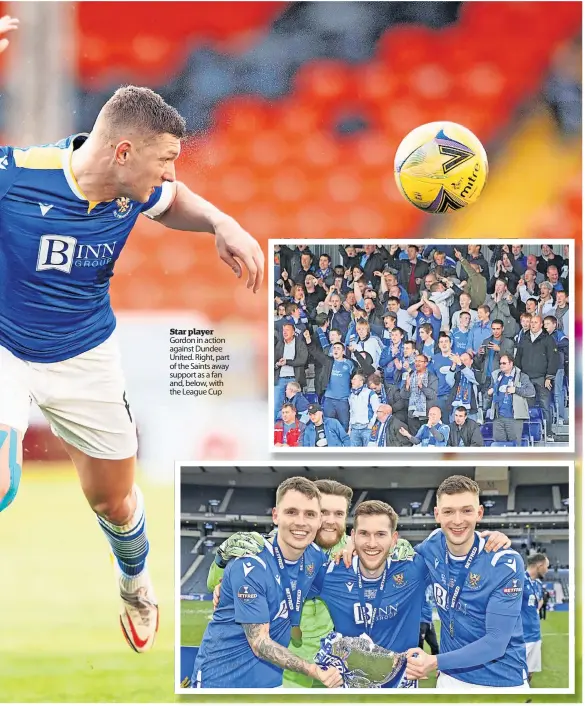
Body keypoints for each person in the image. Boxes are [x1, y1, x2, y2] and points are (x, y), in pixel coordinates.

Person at [0, 83, 265, 652]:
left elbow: (174, 203)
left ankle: (135, 584)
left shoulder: (134, 189)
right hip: (4, 346)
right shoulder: (16, 176)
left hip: (85, 354)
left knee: (115, 502)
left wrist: (223, 223)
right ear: (123, 153)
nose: (171, 173)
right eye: (165, 160)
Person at [192, 477, 342, 688]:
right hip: (221, 682)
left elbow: (338, 588)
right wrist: (314, 670)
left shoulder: (315, 557)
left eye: (310, 514)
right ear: (275, 515)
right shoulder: (251, 564)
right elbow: (259, 643)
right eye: (291, 512)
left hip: (270, 685)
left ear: (319, 521)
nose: (300, 522)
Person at [405, 475, 529, 690]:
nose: (458, 520)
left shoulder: (503, 562)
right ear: (437, 515)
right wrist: (353, 545)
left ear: (479, 513)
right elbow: (394, 561)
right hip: (450, 678)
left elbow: (496, 643)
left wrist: (434, 661)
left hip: (501, 682)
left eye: (467, 510)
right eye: (448, 511)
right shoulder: (433, 544)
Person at [515, 315, 559, 440]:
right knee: (526, 407)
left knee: (545, 406)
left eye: (535, 322)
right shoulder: (524, 338)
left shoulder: (548, 339)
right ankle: (529, 433)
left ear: (541, 325)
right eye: (531, 322)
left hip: (542, 378)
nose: (532, 324)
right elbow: (518, 358)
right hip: (526, 378)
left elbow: (553, 360)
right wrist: (517, 376)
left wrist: (549, 377)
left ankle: (548, 432)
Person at [486, 354, 535, 446]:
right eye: (500, 363)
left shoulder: (521, 376)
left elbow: (531, 392)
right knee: (499, 447)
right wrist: (489, 393)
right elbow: (488, 394)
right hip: (498, 418)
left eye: (504, 363)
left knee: (514, 447)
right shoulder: (496, 376)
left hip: (514, 418)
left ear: (511, 363)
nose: (501, 365)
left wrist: (515, 390)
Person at [522, 553, 549, 682]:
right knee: (517, 674)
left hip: (535, 635)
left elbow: (536, 604)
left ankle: (525, 697)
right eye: (546, 567)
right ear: (539, 565)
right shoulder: (519, 580)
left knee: (530, 672)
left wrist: (541, 602)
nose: (547, 570)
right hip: (522, 637)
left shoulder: (537, 584)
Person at [274, 323, 308, 422]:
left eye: (287, 330)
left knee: (294, 407)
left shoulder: (300, 343)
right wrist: (277, 365)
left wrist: (287, 362)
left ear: (293, 332)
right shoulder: (278, 344)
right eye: (283, 330)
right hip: (279, 379)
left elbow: (303, 360)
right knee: (276, 405)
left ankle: (294, 429)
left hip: (294, 379)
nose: (285, 332)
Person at [400, 354, 439, 435]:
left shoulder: (432, 377)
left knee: (426, 440)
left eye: (420, 361)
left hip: (426, 416)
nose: (417, 363)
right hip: (412, 415)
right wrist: (407, 386)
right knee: (415, 440)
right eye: (416, 361)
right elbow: (403, 395)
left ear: (426, 363)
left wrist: (422, 386)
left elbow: (432, 395)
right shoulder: (410, 376)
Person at [348, 372, 380, 447]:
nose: (352, 381)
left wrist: (371, 424)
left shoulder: (370, 393)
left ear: (361, 381)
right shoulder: (351, 395)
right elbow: (351, 412)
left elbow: (376, 410)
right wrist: (350, 428)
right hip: (354, 428)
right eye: (352, 379)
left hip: (366, 428)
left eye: (355, 379)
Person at [419, 585, 439, 656]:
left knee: (435, 646)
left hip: (429, 621)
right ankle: (416, 664)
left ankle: (437, 664)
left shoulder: (431, 587)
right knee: (419, 647)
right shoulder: (420, 585)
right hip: (421, 621)